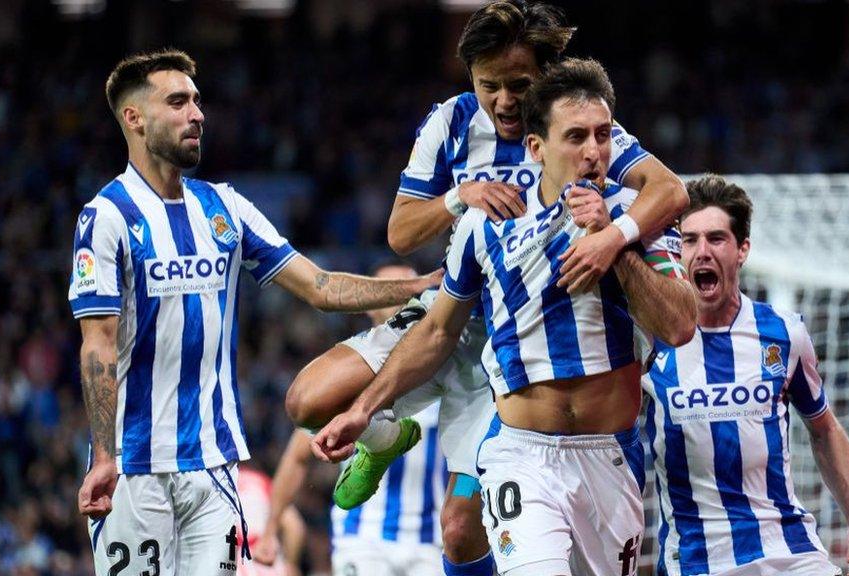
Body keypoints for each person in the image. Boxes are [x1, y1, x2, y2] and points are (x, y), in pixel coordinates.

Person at [284, 2, 689, 574]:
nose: (502, 101)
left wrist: (611, 239)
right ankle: (383, 440)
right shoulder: (449, 123)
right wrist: (459, 196)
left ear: (546, 78)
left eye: (518, 85)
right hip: (452, 304)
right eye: (487, 85)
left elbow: (669, 190)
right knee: (310, 399)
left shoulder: (579, 131)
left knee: (458, 530)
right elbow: (400, 233)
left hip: (513, 340)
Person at [68, 49, 440, 576]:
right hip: (134, 467)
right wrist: (104, 456)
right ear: (135, 118)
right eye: (178, 102)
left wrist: (422, 286)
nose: (197, 113)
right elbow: (98, 345)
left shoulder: (225, 207)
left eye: (197, 101)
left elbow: (321, 286)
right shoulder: (105, 218)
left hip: (215, 467)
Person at [644, 175, 849, 576]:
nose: (702, 251)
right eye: (690, 240)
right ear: (677, 251)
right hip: (698, 560)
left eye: (716, 238)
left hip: (788, 549)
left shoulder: (783, 333)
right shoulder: (649, 338)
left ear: (742, 250)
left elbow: (823, 428)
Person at [254, 262, 448, 576]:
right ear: (371, 308)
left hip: (429, 541)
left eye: (410, 289)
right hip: (362, 535)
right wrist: (271, 528)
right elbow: (297, 456)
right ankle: (384, 441)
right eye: (393, 289)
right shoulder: (349, 375)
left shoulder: (442, 361)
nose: (402, 298)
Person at [234, 466, 306, 576]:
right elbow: (294, 526)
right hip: (267, 561)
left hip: (232, 563)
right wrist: (290, 564)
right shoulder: (261, 481)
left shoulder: (216, 484)